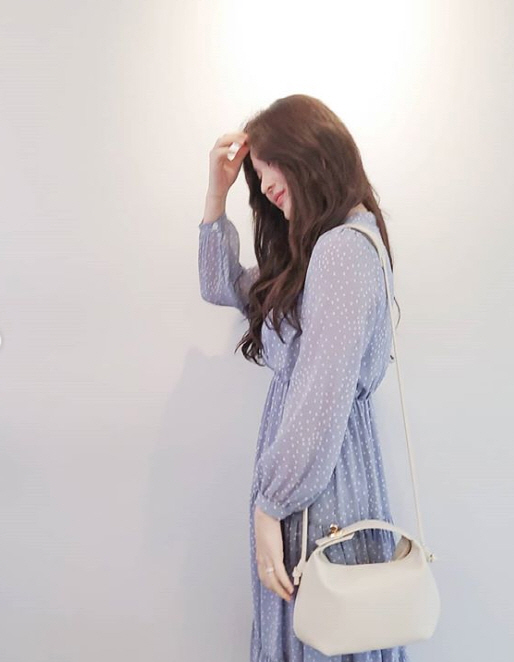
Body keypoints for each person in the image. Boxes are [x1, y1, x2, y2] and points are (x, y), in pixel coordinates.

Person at [198, 94, 408, 662]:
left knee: (321, 634)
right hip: (312, 479)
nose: (264, 184)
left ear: (310, 152)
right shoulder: (320, 254)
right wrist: (217, 195)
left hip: (318, 488)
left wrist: (271, 504)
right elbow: (221, 285)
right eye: (257, 174)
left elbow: (319, 400)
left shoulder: (342, 251)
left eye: (270, 166)